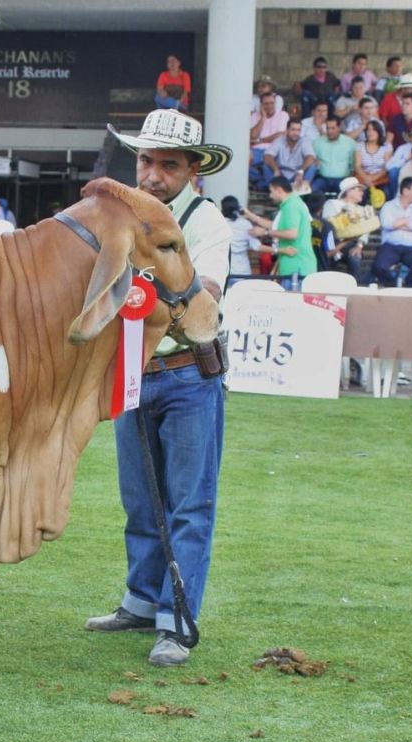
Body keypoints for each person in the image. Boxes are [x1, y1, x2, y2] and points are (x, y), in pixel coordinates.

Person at [86, 109, 231, 668]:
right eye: (146, 161)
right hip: (133, 370)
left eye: (168, 165)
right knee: (140, 497)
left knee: (189, 503)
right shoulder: (118, 217)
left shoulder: (208, 223)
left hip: (191, 372)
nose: (151, 175)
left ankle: (178, 621)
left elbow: (208, 297)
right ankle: (142, 602)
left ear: (194, 170)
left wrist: (147, 301)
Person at [242, 176, 316, 290]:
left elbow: (292, 233)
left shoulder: (291, 206)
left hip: (296, 266)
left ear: (279, 190)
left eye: (271, 191)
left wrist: (265, 233)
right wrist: (252, 216)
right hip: (294, 265)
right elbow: (276, 226)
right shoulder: (292, 203)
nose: (270, 195)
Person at [373, 177, 412, 287]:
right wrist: (408, 220)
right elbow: (386, 224)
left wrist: (396, 224)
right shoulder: (388, 206)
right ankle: (392, 287)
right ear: (405, 191)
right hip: (391, 246)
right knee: (378, 266)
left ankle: (406, 287)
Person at [319, 177, 368, 280]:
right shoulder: (332, 204)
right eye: (359, 190)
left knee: (355, 257)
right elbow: (327, 227)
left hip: (351, 243)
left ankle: (355, 288)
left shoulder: (361, 209)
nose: (362, 193)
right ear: (349, 191)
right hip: (332, 242)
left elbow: (365, 230)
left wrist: (359, 246)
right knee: (326, 257)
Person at [261, 119, 316, 190]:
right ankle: (274, 190)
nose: (296, 133)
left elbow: (310, 157)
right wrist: (276, 169)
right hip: (281, 175)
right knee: (266, 166)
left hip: (297, 176)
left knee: (312, 166)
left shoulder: (304, 141)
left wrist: (301, 171)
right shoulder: (279, 140)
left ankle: (302, 191)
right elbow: (267, 156)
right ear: (287, 130)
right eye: (293, 130)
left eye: (298, 130)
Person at [249, 93, 289, 185]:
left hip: (275, 150)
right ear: (261, 105)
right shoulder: (254, 116)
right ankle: (263, 182)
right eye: (266, 104)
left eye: (272, 103)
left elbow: (280, 135)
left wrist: (260, 140)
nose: (269, 106)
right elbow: (253, 136)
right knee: (243, 163)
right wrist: (263, 118)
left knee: (268, 165)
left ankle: (263, 184)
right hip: (257, 150)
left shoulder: (283, 115)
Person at [310, 117, 354, 195]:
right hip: (323, 178)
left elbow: (353, 164)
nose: (329, 131)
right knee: (314, 189)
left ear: (339, 128)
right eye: (328, 128)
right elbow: (312, 160)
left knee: (347, 194)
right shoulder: (318, 142)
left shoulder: (349, 143)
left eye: (333, 128)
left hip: (342, 179)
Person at [220, 196, 258, 279]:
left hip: (225, 271)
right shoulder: (245, 224)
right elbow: (256, 246)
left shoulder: (219, 224)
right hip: (243, 271)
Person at [354, 120, 392, 196]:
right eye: (368, 130)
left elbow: (386, 167)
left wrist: (373, 178)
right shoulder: (359, 146)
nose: (370, 132)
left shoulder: (386, 147)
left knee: (386, 193)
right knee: (361, 195)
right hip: (363, 177)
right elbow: (357, 167)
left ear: (379, 132)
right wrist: (366, 178)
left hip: (380, 178)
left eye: (374, 130)